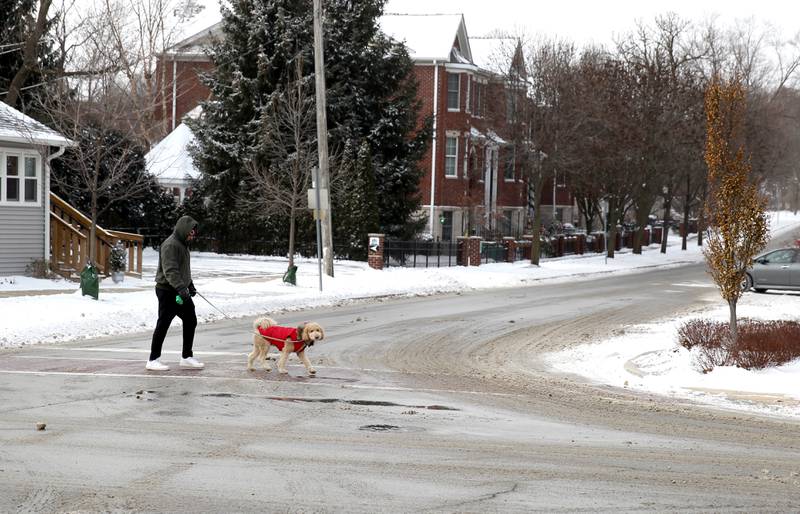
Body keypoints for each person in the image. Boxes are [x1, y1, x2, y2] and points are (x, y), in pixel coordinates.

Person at [146, 215, 204, 371]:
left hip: (179, 290)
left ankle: (186, 357)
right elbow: (170, 270)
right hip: (167, 290)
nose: (193, 236)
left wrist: (189, 285)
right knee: (163, 323)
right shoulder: (171, 245)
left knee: (190, 320)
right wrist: (180, 287)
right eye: (191, 233)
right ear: (183, 230)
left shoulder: (183, 244)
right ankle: (153, 359)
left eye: (194, 233)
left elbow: (183, 270)